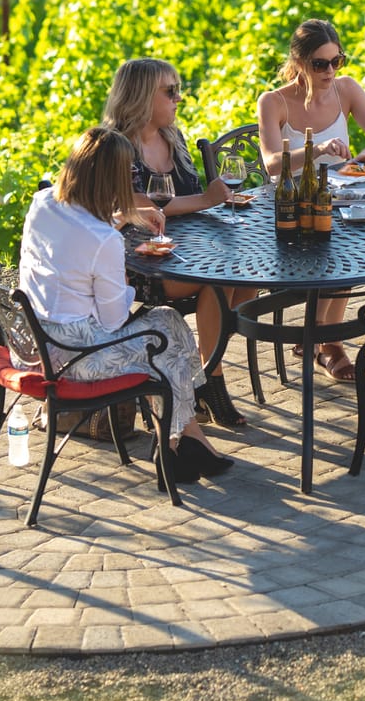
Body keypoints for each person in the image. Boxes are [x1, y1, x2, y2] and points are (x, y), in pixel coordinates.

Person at [19, 127, 232, 484]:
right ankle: (176, 440)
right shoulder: (103, 240)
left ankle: (183, 439)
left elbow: (80, 237)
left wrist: (124, 218)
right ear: (112, 181)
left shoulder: (44, 204)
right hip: (77, 357)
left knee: (167, 325)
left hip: (35, 341)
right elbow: (114, 319)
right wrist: (127, 287)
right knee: (166, 339)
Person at [101, 57, 255, 429]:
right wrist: (205, 201)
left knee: (247, 277)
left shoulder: (174, 137)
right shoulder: (117, 147)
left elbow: (184, 199)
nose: (178, 99)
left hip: (185, 245)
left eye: (178, 90)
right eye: (170, 92)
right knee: (219, 282)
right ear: (141, 95)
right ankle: (211, 380)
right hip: (141, 259)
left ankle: (203, 371)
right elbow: (135, 206)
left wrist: (214, 199)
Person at [256, 18, 365, 383]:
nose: (330, 71)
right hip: (293, 208)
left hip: (339, 198)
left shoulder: (346, 89)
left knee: (355, 238)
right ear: (300, 62)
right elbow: (272, 164)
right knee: (341, 246)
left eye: (337, 61)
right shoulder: (273, 101)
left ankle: (317, 334)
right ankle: (327, 342)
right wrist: (315, 148)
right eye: (320, 64)